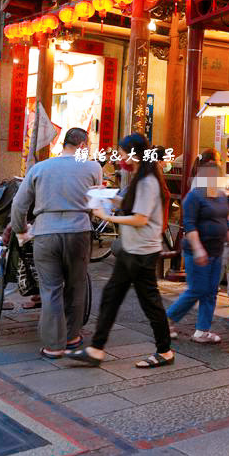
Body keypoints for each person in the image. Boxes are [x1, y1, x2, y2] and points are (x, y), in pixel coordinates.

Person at [69, 134, 174, 368]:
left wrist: (106, 216)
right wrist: (104, 195)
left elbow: (140, 218)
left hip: (142, 252)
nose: (121, 157)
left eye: (123, 152)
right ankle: (96, 349)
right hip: (131, 249)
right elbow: (129, 205)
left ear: (134, 153)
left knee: (150, 302)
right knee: (111, 296)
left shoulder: (148, 181)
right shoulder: (140, 177)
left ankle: (165, 351)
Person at [8, 128, 101, 358]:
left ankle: (53, 346)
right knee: (75, 286)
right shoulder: (92, 167)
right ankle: (72, 337)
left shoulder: (41, 168)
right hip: (79, 231)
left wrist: (21, 230)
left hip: (46, 232)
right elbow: (96, 202)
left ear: (64, 144)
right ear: (82, 145)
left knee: (50, 289)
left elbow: (19, 205)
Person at [165, 152, 229, 344]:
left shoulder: (220, 196)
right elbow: (190, 225)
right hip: (197, 251)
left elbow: (224, 220)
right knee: (197, 289)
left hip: (216, 250)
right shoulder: (194, 197)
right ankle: (167, 320)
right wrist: (199, 248)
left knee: (210, 291)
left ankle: (202, 330)